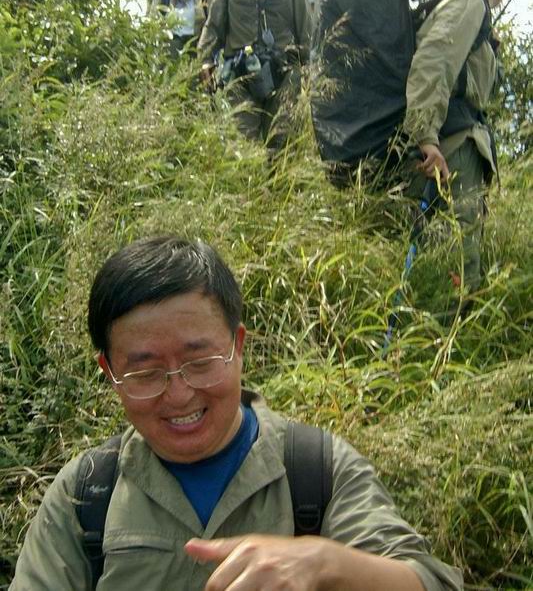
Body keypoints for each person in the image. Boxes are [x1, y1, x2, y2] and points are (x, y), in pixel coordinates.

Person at [10, 236, 463, 590]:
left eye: (200, 362)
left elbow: (429, 581)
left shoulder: (317, 470)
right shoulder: (86, 495)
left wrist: (326, 564)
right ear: (109, 372)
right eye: (145, 373)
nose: (179, 395)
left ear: (238, 347)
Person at [403, 0, 513, 295]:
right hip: (453, 147)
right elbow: (433, 63)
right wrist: (426, 138)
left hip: (446, 142)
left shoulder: (456, 0)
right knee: (458, 258)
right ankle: (449, 326)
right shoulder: (470, 3)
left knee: (438, 251)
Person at [198, 0, 311, 156]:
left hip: (283, 79)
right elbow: (212, 31)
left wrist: (308, 74)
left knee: (282, 146)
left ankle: (279, 181)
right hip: (240, 80)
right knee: (241, 149)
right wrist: (206, 62)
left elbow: (308, 39)